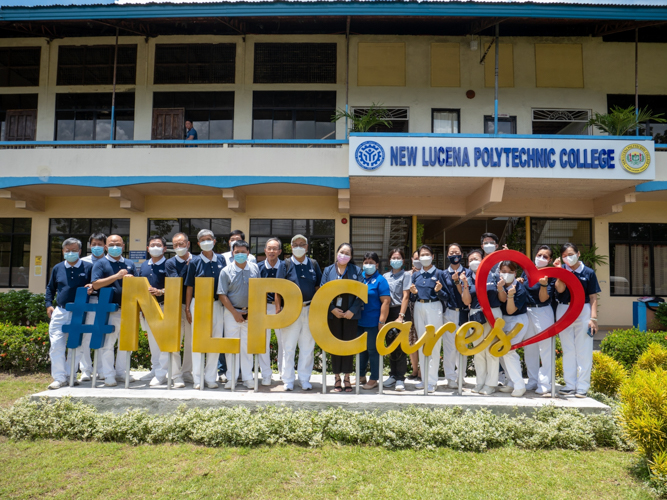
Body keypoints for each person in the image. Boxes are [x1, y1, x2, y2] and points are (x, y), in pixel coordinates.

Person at [45, 238, 93, 389]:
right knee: (56, 345)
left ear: (80, 251)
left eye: (74, 250)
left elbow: (94, 285)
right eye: (67, 251)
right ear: (63, 252)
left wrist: (92, 289)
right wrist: (48, 305)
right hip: (60, 311)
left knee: (76, 346)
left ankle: (70, 375)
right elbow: (50, 288)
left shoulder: (88, 267)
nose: (70, 253)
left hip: (80, 312)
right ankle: (59, 378)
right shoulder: (58, 268)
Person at [554, 243, 601, 398]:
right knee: (568, 349)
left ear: (578, 254)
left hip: (583, 310)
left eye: (571, 254)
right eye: (565, 255)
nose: (569, 257)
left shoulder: (588, 272)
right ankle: (569, 384)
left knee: (584, 349)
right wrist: (560, 271)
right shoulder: (562, 270)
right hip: (564, 309)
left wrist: (593, 318)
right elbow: (560, 289)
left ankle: (582, 386)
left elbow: (593, 297)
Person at [91, 234, 137, 386]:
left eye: (118, 244)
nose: (115, 247)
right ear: (106, 247)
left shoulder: (130, 263)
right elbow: (96, 284)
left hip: (128, 309)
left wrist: (132, 280)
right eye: (111, 244)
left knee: (125, 343)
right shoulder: (101, 263)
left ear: (124, 246)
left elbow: (138, 285)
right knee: (108, 343)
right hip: (109, 309)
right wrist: (116, 276)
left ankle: (121, 373)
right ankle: (108, 374)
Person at [139, 235, 185, 389]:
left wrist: (160, 291)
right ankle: (156, 370)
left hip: (166, 307)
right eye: (152, 245)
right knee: (153, 343)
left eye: (158, 245)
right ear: (147, 248)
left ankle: (171, 375)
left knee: (168, 343)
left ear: (165, 249)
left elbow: (174, 285)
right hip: (149, 309)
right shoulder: (144, 265)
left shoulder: (169, 264)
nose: (155, 247)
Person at [185, 229, 227, 390]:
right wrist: (188, 308)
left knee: (215, 340)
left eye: (209, 239)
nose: (206, 242)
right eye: (202, 240)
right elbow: (189, 286)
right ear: (198, 243)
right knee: (198, 341)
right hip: (199, 304)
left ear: (214, 241)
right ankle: (197, 378)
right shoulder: (195, 261)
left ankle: (210, 378)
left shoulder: (221, 259)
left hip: (217, 304)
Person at [280, 234, 322, 391]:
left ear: (306, 247)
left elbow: (318, 286)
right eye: (295, 244)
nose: (298, 247)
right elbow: (278, 288)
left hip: (309, 309)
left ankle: (304, 379)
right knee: (288, 347)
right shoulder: (285, 264)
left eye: (302, 244)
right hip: (290, 310)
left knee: (307, 346)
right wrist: (279, 310)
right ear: (291, 247)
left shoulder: (313, 263)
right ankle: (288, 380)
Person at [320, 243, 363, 393]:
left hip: (350, 315)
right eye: (341, 252)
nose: (343, 255)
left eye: (347, 253)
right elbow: (322, 291)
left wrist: (353, 310)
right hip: (334, 315)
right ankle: (337, 377)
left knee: (348, 345)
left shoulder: (356, 271)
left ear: (350, 256)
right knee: (335, 346)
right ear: (337, 253)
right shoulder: (328, 270)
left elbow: (361, 293)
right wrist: (332, 309)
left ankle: (347, 377)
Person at [218, 240, 261, 389]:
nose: (240, 254)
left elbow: (259, 292)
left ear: (248, 253)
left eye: (243, 252)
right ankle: (232, 378)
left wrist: (252, 312)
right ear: (232, 253)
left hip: (251, 313)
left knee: (247, 346)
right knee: (232, 346)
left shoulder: (255, 269)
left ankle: (248, 377)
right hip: (232, 313)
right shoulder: (225, 271)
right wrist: (235, 313)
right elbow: (222, 294)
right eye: (237, 252)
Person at [460, 249, 502, 395]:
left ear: (483, 259)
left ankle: (491, 384)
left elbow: (501, 297)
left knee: (491, 349)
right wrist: (465, 284)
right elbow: (466, 301)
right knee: (478, 351)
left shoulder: (494, 275)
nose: (473, 262)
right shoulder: (468, 277)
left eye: (476, 258)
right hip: (476, 314)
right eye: (470, 259)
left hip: (492, 313)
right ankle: (480, 382)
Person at [409, 244, 449, 393]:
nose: (424, 257)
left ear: (432, 256)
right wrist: (413, 293)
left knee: (434, 343)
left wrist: (439, 291)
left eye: (427, 254)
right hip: (419, 307)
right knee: (421, 343)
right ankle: (424, 379)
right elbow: (413, 298)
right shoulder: (416, 275)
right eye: (421, 255)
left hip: (434, 307)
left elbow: (447, 296)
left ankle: (432, 381)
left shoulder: (440, 273)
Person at [521, 245, 556, 395]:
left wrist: (543, 284)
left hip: (542, 310)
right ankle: (533, 380)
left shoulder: (552, 274)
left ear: (550, 260)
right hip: (526, 311)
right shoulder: (527, 270)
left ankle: (545, 382)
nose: (541, 258)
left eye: (545, 256)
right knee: (529, 347)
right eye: (539, 255)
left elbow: (544, 297)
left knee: (545, 348)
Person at [358, 252, 391, 391]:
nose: (368, 265)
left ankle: (374, 379)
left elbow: (386, 302)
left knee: (373, 350)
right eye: (366, 262)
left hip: (373, 322)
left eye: (371, 262)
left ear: (377, 265)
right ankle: (360, 375)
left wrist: (381, 321)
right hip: (359, 320)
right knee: (361, 350)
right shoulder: (360, 278)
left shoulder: (380, 280)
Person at [497, 261, 530, 397]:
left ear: (515, 273)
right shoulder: (500, 285)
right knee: (501, 351)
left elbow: (510, 310)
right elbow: (501, 300)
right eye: (503, 271)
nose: (507, 275)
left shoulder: (520, 289)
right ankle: (511, 382)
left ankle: (519, 384)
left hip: (517, 320)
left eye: (510, 272)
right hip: (504, 320)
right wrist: (501, 289)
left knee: (509, 351)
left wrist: (511, 295)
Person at [165, 232, 194, 384]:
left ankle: (187, 372)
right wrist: (188, 266)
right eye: (175, 245)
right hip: (176, 305)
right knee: (175, 341)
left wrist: (191, 263)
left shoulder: (197, 260)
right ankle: (176, 375)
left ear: (188, 244)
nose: (178, 247)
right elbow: (177, 282)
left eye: (181, 244)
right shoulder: (170, 263)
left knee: (191, 341)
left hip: (193, 305)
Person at [256, 237, 285, 384]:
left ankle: (283, 373)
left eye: (275, 248)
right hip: (263, 308)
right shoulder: (258, 267)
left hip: (283, 309)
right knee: (263, 342)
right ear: (265, 250)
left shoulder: (286, 266)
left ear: (279, 251)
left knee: (283, 342)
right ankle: (266, 375)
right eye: (269, 248)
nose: (272, 251)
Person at [79, 232, 107, 382]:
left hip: (103, 302)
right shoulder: (83, 261)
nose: (97, 247)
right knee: (85, 336)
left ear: (105, 246)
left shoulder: (109, 262)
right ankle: (85, 370)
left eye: (100, 244)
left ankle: (101, 369)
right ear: (90, 245)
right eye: (94, 244)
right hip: (86, 302)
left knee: (101, 335)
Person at [382, 248, 411, 392]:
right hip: (388, 312)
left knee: (400, 346)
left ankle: (400, 378)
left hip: (401, 312)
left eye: (398, 257)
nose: (396, 260)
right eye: (393, 257)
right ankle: (392, 375)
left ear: (403, 260)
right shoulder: (385, 276)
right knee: (390, 344)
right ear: (389, 260)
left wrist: (401, 316)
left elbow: (406, 296)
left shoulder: (406, 275)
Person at [442, 243, 469, 389]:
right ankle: (450, 377)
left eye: (457, 252)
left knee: (462, 346)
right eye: (451, 252)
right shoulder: (443, 274)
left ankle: (461, 376)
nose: (454, 255)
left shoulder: (468, 272)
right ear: (447, 255)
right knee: (449, 347)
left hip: (464, 313)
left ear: (462, 255)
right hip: (449, 312)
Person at [407, 250, 421, 381]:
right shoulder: (408, 274)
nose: (418, 260)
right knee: (412, 340)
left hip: (424, 307)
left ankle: (423, 370)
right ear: (412, 259)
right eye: (416, 258)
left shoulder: (429, 273)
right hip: (410, 308)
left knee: (423, 338)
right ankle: (414, 370)